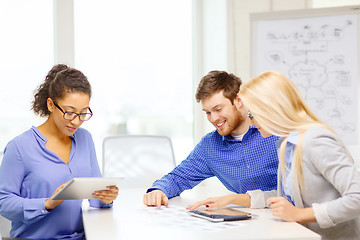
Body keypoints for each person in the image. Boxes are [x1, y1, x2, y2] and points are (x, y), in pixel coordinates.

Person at [0, 64, 119, 240]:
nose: (77, 121)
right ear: (51, 104)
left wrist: (106, 198)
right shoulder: (20, 147)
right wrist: (47, 203)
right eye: (70, 112)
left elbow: (95, 197)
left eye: (83, 113)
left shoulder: (85, 139)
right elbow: (3, 202)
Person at [239, 70, 360, 240]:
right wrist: (235, 199)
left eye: (252, 115)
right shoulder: (287, 144)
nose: (251, 122)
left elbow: (357, 198)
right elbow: (291, 200)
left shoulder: (314, 140)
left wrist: (299, 215)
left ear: (271, 109)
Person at [143, 70, 279, 210]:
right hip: (250, 221)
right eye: (208, 112)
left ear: (238, 101)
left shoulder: (274, 131)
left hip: (288, 219)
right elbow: (179, 177)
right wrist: (158, 190)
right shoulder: (210, 146)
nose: (213, 118)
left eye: (218, 109)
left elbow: (296, 191)